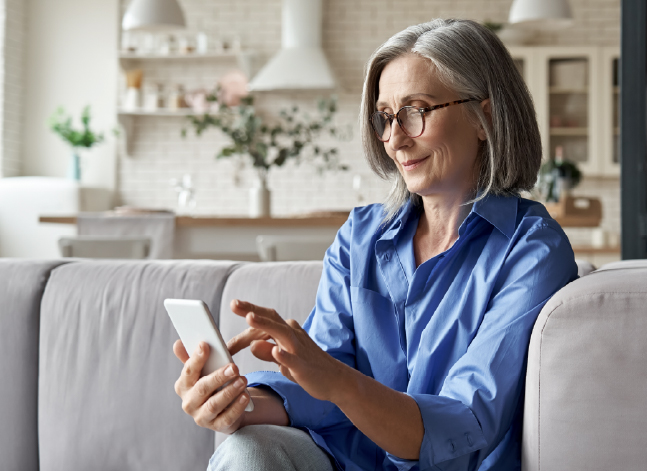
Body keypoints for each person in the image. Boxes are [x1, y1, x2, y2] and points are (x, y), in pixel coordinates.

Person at [173, 18, 577, 471]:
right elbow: (322, 388)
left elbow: (466, 421)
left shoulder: (531, 250)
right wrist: (238, 401)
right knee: (246, 449)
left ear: (484, 117)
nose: (395, 138)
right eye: (386, 117)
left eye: (416, 110)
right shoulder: (360, 236)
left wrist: (337, 382)